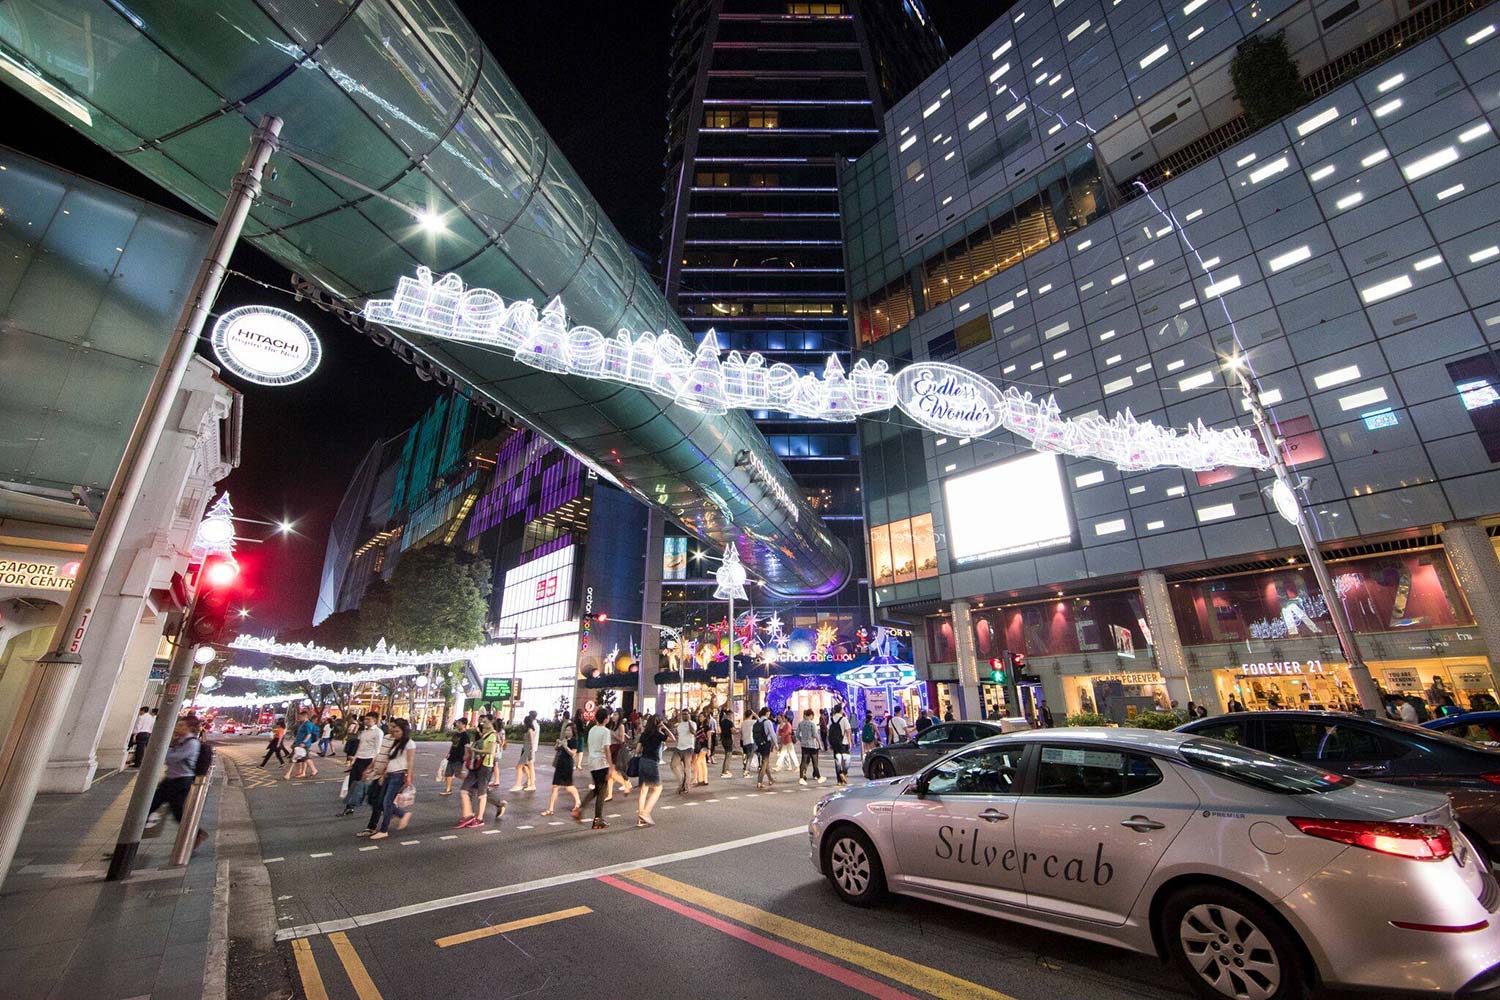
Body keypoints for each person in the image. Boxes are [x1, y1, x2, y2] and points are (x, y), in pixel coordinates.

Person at [146, 714, 208, 852]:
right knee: (149, 808)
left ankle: (198, 834)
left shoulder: (192, 743)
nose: (178, 728)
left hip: (181, 782)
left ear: (190, 728)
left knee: (177, 813)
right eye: (178, 725)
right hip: (170, 780)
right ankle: (125, 848)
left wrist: (166, 748)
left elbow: (171, 758)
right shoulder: (180, 741)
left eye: (181, 725)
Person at [362, 718, 416, 840]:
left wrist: (408, 777)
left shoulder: (409, 743)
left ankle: (384, 829)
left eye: (397, 731)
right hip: (389, 774)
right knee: (382, 801)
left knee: (387, 802)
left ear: (404, 730)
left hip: (399, 774)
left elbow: (410, 761)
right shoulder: (396, 742)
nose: (394, 733)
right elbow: (389, 759)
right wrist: (384, 774)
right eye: (393, 730)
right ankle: (401, 814)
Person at [573, 710, 613, 830]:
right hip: (602, 763)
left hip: (592, 762)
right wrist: (611, 766)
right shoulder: (605, 731)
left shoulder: (592, 730)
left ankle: (580, 809)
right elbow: (606, 749)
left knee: (597, 789)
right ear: (605, 719)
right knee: (602, 792)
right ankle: (598, 819)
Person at [458, 719, 500, 828]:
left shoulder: (492, 736)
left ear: (491, 725)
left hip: (485, 766)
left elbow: (490, 751)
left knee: (481, 793)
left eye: (486, 722)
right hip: (476, 765)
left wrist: (474, 750)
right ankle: (468, 815)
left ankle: (480, 819)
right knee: (464, 789)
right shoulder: (484, 735)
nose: (483, 723)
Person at [341, 714, 382, 817]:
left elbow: (378, 749)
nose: (366, 721)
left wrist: (374, 764)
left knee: (367, 784)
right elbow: (360, 746)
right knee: (353, 782)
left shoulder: (378, 732)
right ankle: (350, 807)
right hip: (359, 759)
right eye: (365, 719)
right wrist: (354, 759)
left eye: (369, 719)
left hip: (369, 760)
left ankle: (379, 806)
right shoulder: (363, 732)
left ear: (375, 720)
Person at [542, 715, 581, 817]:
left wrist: (565, 746)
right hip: (560, 764)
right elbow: (556, 749)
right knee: (555, 787)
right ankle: (550, 809)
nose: (567, 732)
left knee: (569, 787)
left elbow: (573, 754)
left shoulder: (573, 741)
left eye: (569, 730)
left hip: (567, 765)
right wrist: (558, 744)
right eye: (566, 730)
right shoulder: (564, 739)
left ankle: (578, 801)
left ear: (573, 731)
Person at [636, 713, 669, 827]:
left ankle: (640, 819)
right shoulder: (659, 734)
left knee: (643, 791)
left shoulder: (644, 734)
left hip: (642, 761)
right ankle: (646, 812)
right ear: (659, 723)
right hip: (652, 762)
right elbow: (673, 738)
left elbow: (637, 749)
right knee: (658, 789)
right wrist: (664, 728)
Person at [285, 709, 320, 780]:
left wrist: (304, 742)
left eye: (300, 716)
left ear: (305, 716)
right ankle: (306, 771)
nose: (299, 718)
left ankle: (288, 774)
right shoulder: (303, 724)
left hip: (303, 744)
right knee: (303, 758)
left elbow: (309, 734)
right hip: (299, 744)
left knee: (297, 758)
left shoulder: (308, 724)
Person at [441, 717, 471, 796]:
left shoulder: (465, 735)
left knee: (458, 774)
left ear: (464, 725)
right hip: (452, 755)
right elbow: (453, 744)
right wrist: (449, 753)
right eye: (457, 723)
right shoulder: (456, 734)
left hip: (459, 756)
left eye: (459, 723)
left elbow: (467, 746)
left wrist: (466, 755)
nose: (457, 724)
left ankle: (471, 782)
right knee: (448, 773)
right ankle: (448, 789)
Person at [512, 711, 539, 791]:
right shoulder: (531, 729)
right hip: (526, 750)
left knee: (520, 766)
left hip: (528, 750)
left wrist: (530, 752)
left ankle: (519, 784)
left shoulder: (530, 730)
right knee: (528, 767)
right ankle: (530, 784)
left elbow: (531, 742)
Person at [796, 708, 823, 785]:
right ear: (811, 715)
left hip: (804, 745)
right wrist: (819, 744)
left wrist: (802, 740)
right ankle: (818, 777)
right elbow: (815, 735)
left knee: (803, 761)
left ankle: (801, 777)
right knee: (815, 761)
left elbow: (797, 734)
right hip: (812, 745)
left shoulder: (800, 723)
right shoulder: (812, 724)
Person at [672, 709, 696, 793]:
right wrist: (675, 730)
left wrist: (689, 722)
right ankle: (681, 782)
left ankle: (686, 786)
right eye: (683, 714)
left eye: (686, 714)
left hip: (688, 748)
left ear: (689, 715)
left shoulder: (693, 723)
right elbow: (676, 734)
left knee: (687, 768)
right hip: (679, 747)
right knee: (673, 765)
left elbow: (693, 732)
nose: (685, 716)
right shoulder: (679, 724)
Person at [828, 703, 852, 786]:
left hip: (835, 743)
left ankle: (839, 780)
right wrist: (850, 742)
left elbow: (829, 732)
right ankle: (844, 773)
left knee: (837, 761)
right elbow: (848, 731)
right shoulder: (844, 719)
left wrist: (830, 742)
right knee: (846, 760)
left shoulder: (831, 719)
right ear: (841, 710)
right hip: (843, 743)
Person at [754, 708, 777, 789]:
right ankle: (759, 781)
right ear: (767, 713)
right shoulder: (767, 722)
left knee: (765, 761)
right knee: (765, 762)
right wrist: (776, 744)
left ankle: (770, 779)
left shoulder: (758, 721)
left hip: (759, 744)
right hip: (766, 744)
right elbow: (772, 733)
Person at [693, 710, 712, 787]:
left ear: (705, 718)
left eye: (701, 717)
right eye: (699, 717)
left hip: (704, 746)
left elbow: (709, 738)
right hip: (698, 745)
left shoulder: (707, 727)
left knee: (698, 762)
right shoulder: (698, 726)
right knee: (702, 762)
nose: (699, 718)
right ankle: (705, 779)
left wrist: (709, 748)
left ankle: (701, 779)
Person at [718, 705, 736, 778]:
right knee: (728, 755)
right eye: (731, 715)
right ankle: (725, 771)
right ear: (729, 715)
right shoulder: (730, 723)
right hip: (728, 739)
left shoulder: (722, 722)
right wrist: (737, 731)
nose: (732, 716)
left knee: (727, 755)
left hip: (723, 739)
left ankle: (724, 770)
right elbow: (733, 731)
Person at [739, 710, 758, 777]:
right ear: (751, 715)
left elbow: (741, 732)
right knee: (750, 758)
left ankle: (745, 768)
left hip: (744, 742)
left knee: (747, 756)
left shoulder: (743, 723)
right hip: (750, 741)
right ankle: (746, 772)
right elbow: (760, 720)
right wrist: (755, 714)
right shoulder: (752, 722)